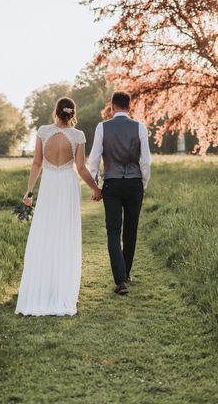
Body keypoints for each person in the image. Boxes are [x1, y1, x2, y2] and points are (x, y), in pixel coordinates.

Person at [15, 97, 102, 316]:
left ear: (56, 112)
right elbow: (81, 168)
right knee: (65, 234)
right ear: (72, 113)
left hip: (49, 186)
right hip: (67, 184)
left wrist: (29, 192)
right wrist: (95, 188)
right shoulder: (78, 135)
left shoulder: (43, 131)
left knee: (45, 232)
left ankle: (43, 287)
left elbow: (37, 163)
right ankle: (62, 288)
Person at [88, 91, 152, 295]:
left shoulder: (102, 127)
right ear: (129, 106)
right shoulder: (140, 127)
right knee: (131, 230)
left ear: (112, 106)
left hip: (112, 183)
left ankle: (120, 280)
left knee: (113, 231)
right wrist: (143, 182)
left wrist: (95, 185)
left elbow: (95, 158)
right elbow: (145, 160)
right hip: (134, 184)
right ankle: (126, 273)